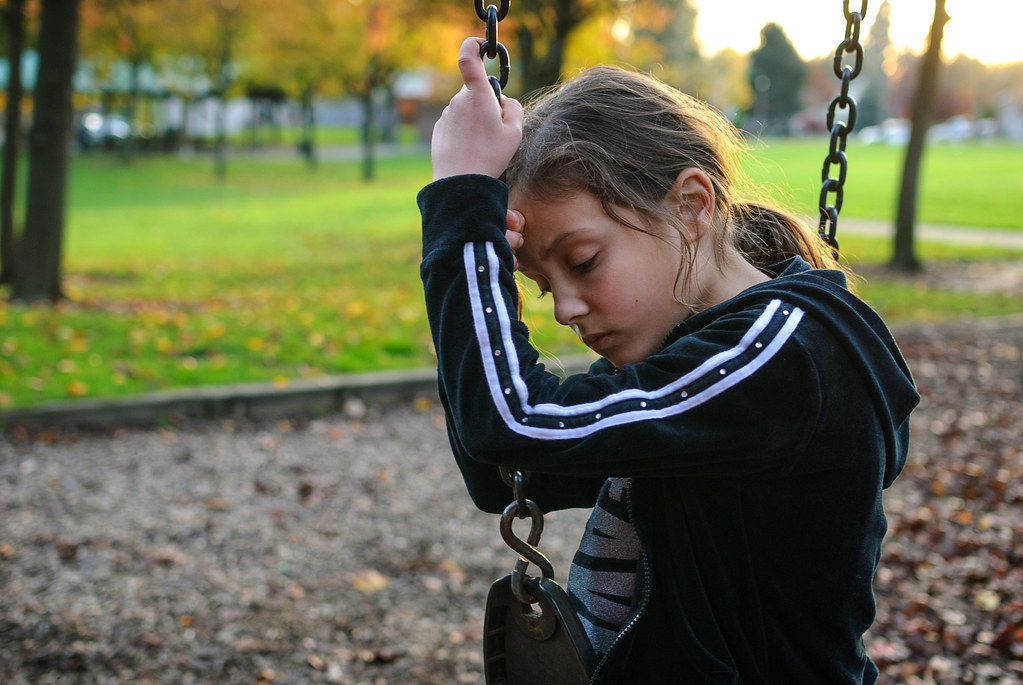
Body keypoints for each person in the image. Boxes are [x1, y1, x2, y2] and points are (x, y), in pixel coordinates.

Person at [418, 37, 919, 684]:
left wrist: (461, 213)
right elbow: (505, 472)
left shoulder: (782, 356)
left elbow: (515, 421)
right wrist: (474, 268)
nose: (564, 309)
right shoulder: (690, 352)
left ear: (690, 205)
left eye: (581, 262)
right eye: (541, 285)